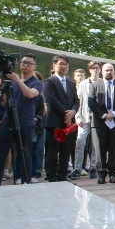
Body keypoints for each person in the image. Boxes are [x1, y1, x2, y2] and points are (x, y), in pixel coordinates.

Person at [0, 54, 43, 186]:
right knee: (0, 154)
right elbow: (3, 103)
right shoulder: (11, 82)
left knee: (25, 154)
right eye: (23, 62)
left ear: (34, 66)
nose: (25, 65)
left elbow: (30, 94)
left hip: (25, 123)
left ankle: (25, 181)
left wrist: (18, 81)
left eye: (29, 63)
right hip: (7, 122)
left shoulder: (37, 83)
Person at [88, 63, 115, 184]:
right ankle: (101, 174)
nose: (108, 72)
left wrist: (114, 113)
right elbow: (91, 102)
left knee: (114, 148)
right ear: (101, 71)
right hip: (99, 122)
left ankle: (112, 173)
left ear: (114, 72)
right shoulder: (95, 85)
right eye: (106, 70)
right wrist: (103, 115)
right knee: (100, 149)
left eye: (111, 70)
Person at [44, 54, 79, 183]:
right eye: (61, 64)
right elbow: (52, 100)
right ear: (54, 65)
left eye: (66, 64)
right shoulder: (49, 82)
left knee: (66, 151)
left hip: (68, 124)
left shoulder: (70, 82)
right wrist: (66, 114)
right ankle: (52, 177)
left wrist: (73, 112)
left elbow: (76, 100)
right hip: (55, 122)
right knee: (53, 151)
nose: (64, 66)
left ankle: (63, 177)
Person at [72, 60, 100, 180]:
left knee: (94, 144)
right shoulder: (83, 83)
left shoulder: (102, 83)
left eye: (97, 68)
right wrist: (77, 117)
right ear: (89, 70)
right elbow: (79, 101)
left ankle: (93, 167)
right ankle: (77, 168)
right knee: (80, 142)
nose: (95, 70)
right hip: (84, 117)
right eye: (93, 68)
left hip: (98, 118)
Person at [31, 71, 45, 183]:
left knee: (36, 149)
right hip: (24, 125)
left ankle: (35, 172)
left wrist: (36, 118)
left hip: (37, 126)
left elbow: (41, 111)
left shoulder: (40, 97)